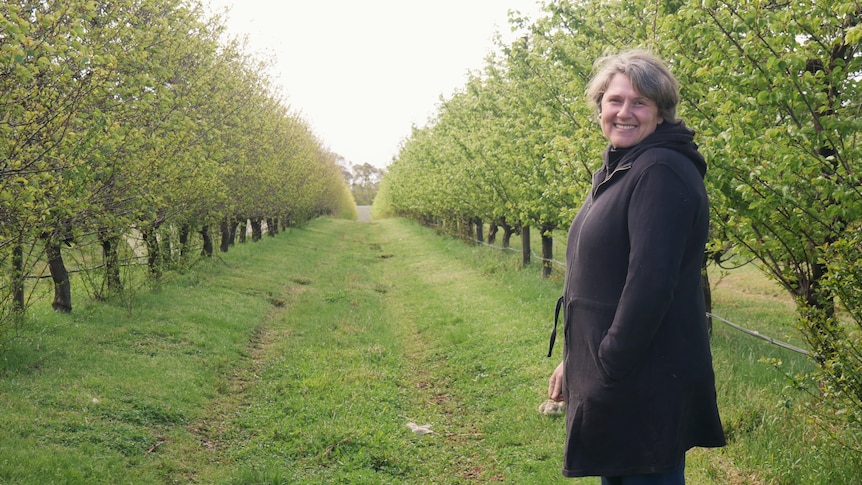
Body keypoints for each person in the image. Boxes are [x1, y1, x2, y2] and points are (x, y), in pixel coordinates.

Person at [547, 49, 726, 484]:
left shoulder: (659, 171)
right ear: (600, 106)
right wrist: (575, 361)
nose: (624, 112)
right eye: (615, 100)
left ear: (661, 114)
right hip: (619, 378)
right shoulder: (621, 169)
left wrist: (605, 363)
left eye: (640, 102)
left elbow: (650, 284)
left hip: (643, 382)